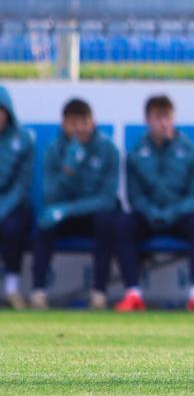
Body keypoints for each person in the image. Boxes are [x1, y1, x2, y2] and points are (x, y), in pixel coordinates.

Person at [31, 99, 130, 310]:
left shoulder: (108, 149)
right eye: (73, 124)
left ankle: (99, 292)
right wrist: (68, 169)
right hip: (64, 217)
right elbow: (50, 196)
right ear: (63, 124)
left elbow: (107, 199)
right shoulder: (53, 150)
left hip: (90, 214)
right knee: (45, 224)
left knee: (106, 222)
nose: (79, 129)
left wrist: (68, 209)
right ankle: (38, 292)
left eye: (84, 123)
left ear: (93, 122)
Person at [123, 95, 194, 313]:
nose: (164, 123)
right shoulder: (135, 154)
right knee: (124, 224)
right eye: (158, 117)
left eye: (167, 117)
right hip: (148, 217)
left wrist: (171, 213)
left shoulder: (191, 152)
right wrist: (152, 213)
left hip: (179, 217)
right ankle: (132, 294)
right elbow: (134, 197)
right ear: (147, 120)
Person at [0, 86, 35, 308]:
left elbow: (22, 185)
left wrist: (2, 210)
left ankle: (12, 289)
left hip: (14, 207)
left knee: (12, 227)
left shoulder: (24, 139)